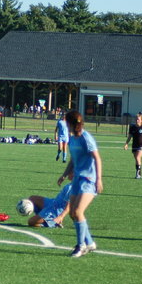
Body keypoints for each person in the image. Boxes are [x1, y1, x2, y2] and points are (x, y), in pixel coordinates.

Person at [57, 110, 103, 257]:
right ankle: (89, 243)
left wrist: (99, 179)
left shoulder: (86, 138)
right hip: (77, 179)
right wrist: (64, 174)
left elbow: (97, 158)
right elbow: (73, 159)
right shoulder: (72, 139)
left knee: (77, 212)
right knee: (72, 213)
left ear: (71, 124)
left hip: (88, 180)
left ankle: (80, 246)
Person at [123, 113, 142, 179]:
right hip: (134, 146)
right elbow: (130, 136)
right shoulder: (132, 127)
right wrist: (126, 144)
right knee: (137, 159)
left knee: (138, 157)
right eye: (136, 119)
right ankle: (139, 174)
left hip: (141, 146)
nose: (137, 120)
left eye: (138, 119)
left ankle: (137, 174)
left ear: (141, 120)